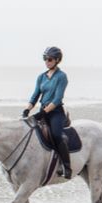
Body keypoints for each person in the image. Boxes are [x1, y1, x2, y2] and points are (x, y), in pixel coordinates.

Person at [23, 46, 72, 179]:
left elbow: (57, 98)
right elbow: (35, 95)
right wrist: (28, 108)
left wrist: (43, 113)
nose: (47, 62)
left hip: (55, 112)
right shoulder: (41, 77)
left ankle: (67, 166)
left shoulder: (62, 76)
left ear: (57, 60)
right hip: (42, 111)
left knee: (56, 135)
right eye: (45, 59)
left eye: (49, 59)